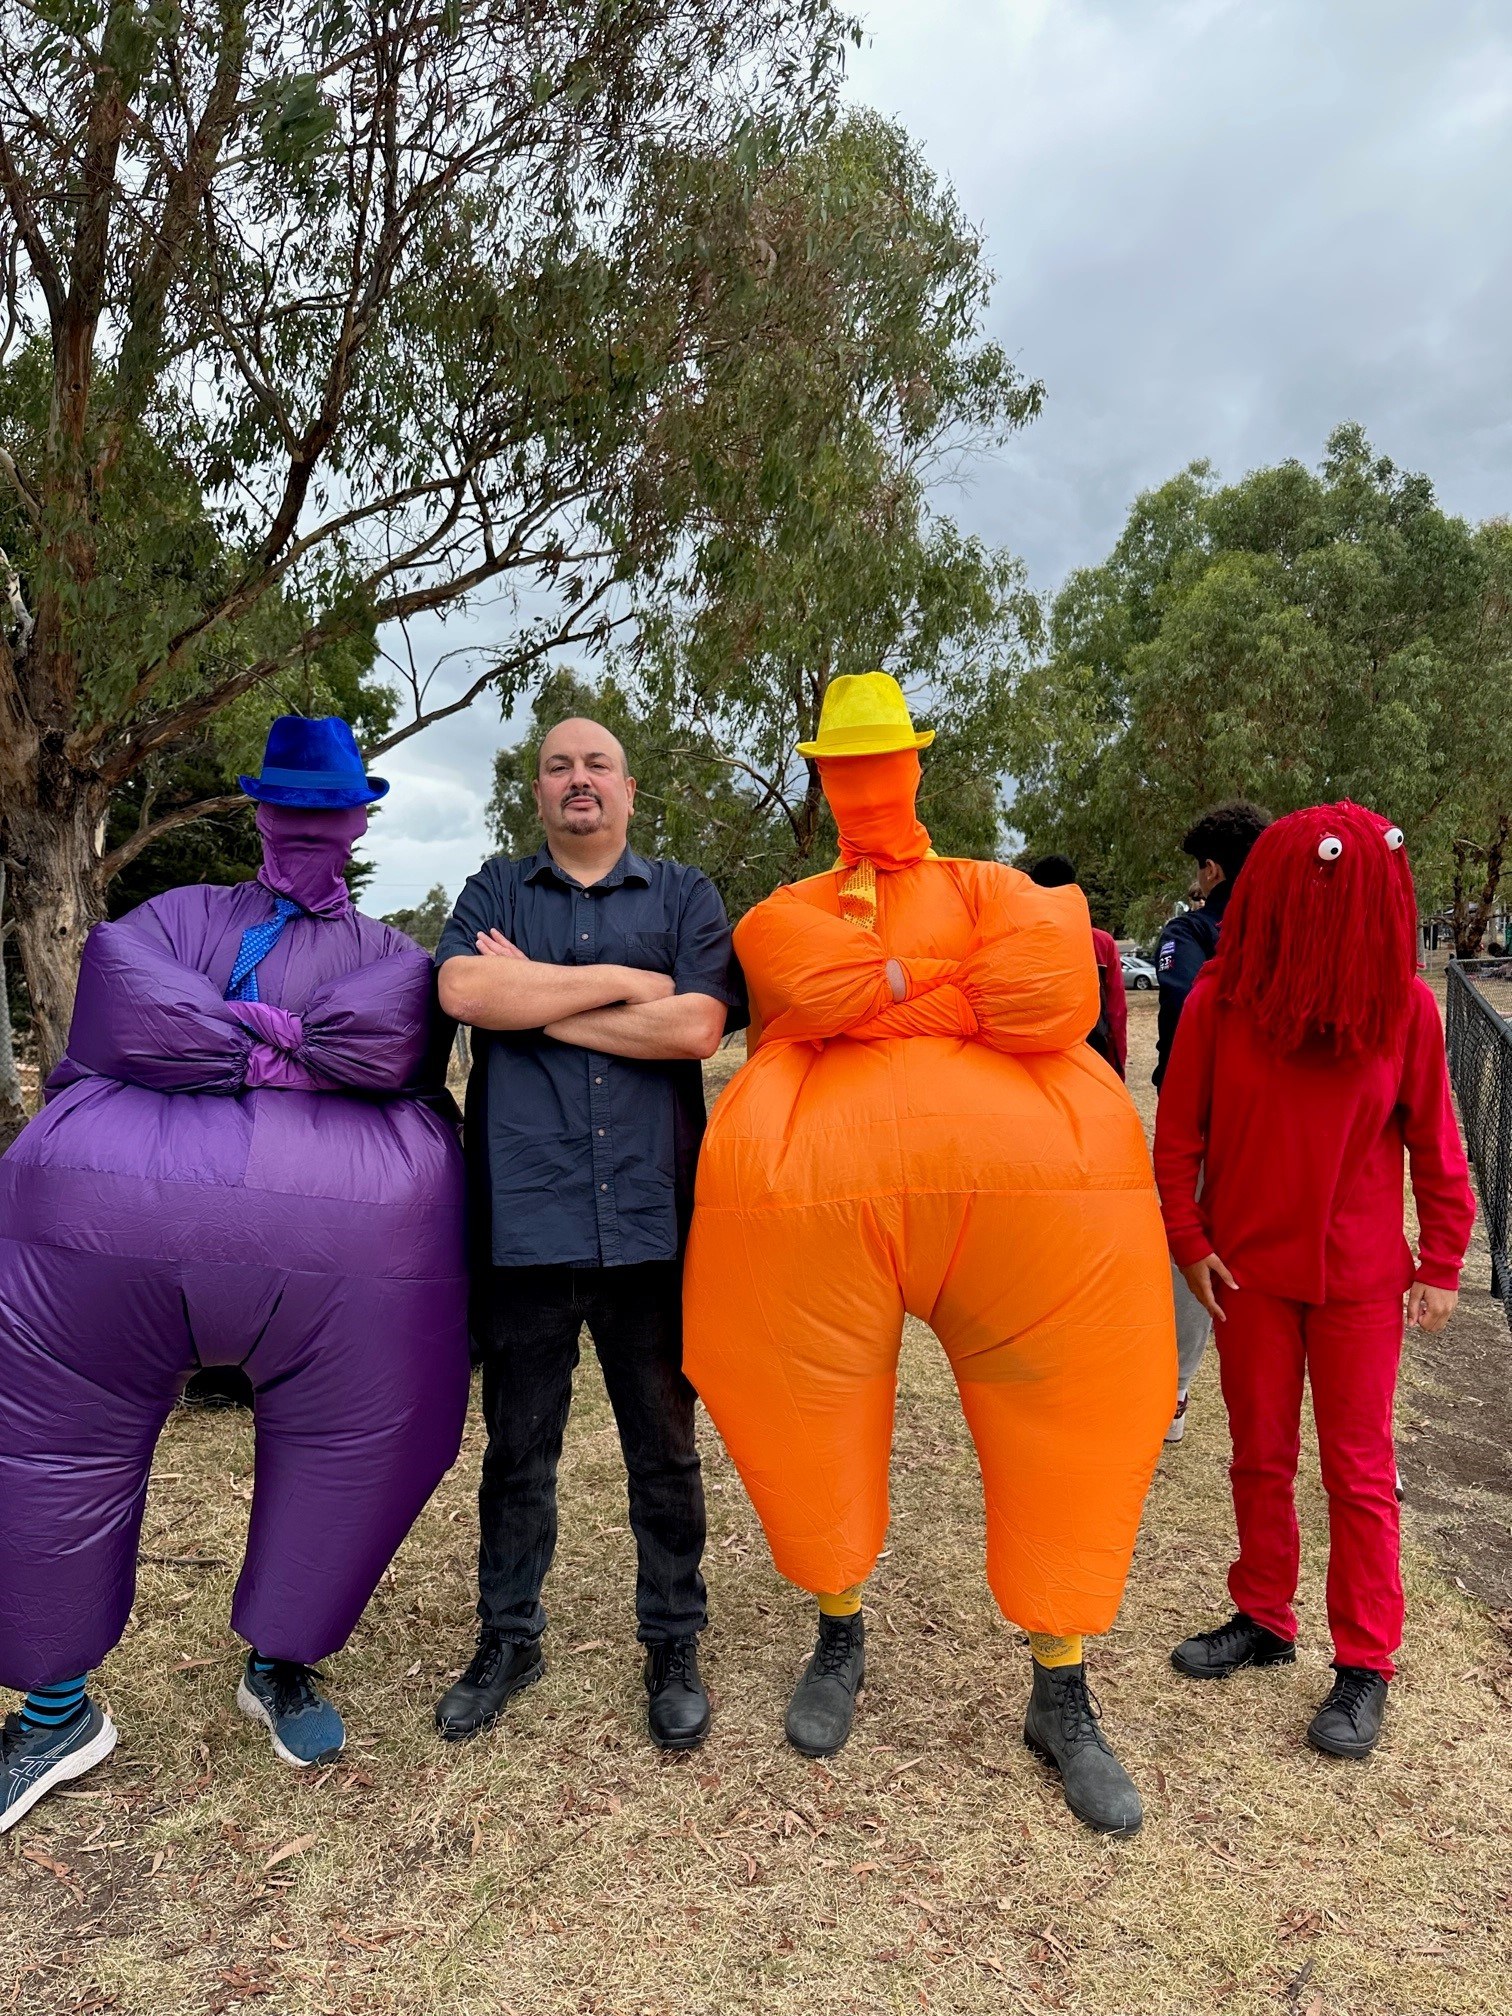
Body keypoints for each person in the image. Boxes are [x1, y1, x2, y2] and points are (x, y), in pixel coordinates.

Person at [683, 674, 1175, 1836]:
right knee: (800, 1406)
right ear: (821, 780)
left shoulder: (998, 888)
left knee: (1074, 1415)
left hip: (1030, 1211)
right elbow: (797, 976)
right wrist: (952, 992)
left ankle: (1063, 1689)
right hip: (816, 1210)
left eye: (882, 762)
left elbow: (1048, 988)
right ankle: (838, 1632)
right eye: (842, 769)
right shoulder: (786, 908)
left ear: (916, 765)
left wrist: (875, 1003)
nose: (865, 785)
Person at [0, 718, 470, 1833]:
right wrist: (293, 1051)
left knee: (365, 1441)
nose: (306, 827)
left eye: (326, 811)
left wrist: (225, 1042)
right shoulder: (175, 918)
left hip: (342, 1275)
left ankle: (283, 1660)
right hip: (105, 1255)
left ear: (358, 823)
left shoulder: (391, 953)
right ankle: (55, 1708)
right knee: (45, 1447)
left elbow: (394, 1036)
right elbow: (122, 997)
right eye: (289, 808)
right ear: (260, 813)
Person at [432, 717, 745, 1753]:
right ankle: (508, 1637)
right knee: (518, 1452)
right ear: (537, 793)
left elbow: (696, 1026)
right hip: (525, 1220)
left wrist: (536, 1003)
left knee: (665, 1452)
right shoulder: (494, 889)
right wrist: (628, 982)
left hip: (651, 1223)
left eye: (597, 764)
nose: (579, 778)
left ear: (629, 788)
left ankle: (673, 1641)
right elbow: (464, 990)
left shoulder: (685, 895)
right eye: (559, 765)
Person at [1154, 802, 1475, 1758]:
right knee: (1258, 1454)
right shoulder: (1220, 1000)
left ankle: (1366, 1658)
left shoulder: (1404, 1010)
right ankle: (1264, 1613)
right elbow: (1179, 1137)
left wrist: (1443, 1260)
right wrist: (1189, 1240)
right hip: (1247, 1275)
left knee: (1358, 1471)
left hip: (1361, 1283)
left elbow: (1437, 1146)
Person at [1153, 801, 1271, 1443]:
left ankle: (1174, 1389)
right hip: (1269, 1116)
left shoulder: (1190, 932)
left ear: (1213, 869)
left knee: (1190, 1245)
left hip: (1201, 1119)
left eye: (1199, 868)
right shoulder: (1289, 932)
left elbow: (1181, 1012)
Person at [1027, 853, 1127, 1078]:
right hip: (1093, 1060)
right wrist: (1117, 1070)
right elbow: (1116, 1012)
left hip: (1040, 1065)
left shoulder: (1024, 940)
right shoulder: (1101, 943)